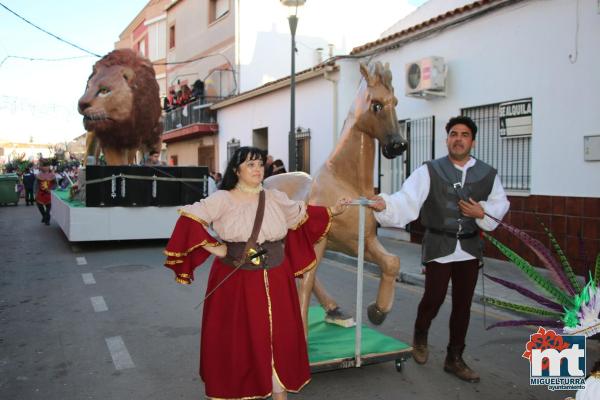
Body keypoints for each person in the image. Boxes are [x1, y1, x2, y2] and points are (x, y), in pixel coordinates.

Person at [164, 146, 349, 399]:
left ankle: (278, 392)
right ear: (236, 170)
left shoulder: (274, 197)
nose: (257, 169)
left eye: (260, 164)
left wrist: (333, 211)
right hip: (236, 282)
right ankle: (236, 389)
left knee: (279, 340)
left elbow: (303, 215)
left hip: (277, 277)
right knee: (238, 342)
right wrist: (217, 248)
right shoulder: (223, 199)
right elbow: (188, 219)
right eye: (250, 164)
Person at [368, 116, 510, 383]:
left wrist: (483, 212)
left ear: (473, 141)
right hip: (439, 244)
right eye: (453, 134)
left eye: (464, 134)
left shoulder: (488, 174)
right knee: (433, 299)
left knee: (463, 306)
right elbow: (407, 198)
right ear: (447, 139)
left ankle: (454, 358)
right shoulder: (429, 170)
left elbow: (500, 206)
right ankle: (421, 333)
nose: (458, 138)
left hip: (469, 247)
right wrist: (386, 205)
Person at [34, 161, 57, 225]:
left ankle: (47, 220)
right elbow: (36, 185)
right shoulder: (39, 175)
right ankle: (44, 216)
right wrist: (35, 192)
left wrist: (51, 189)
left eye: (46, 166)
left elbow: (55, 184)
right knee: (39, 206)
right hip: (40, 193)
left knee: (48, 207)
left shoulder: (52, 175)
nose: (45, 167)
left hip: (49, 193)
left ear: (48, 167)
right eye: (43, 166)